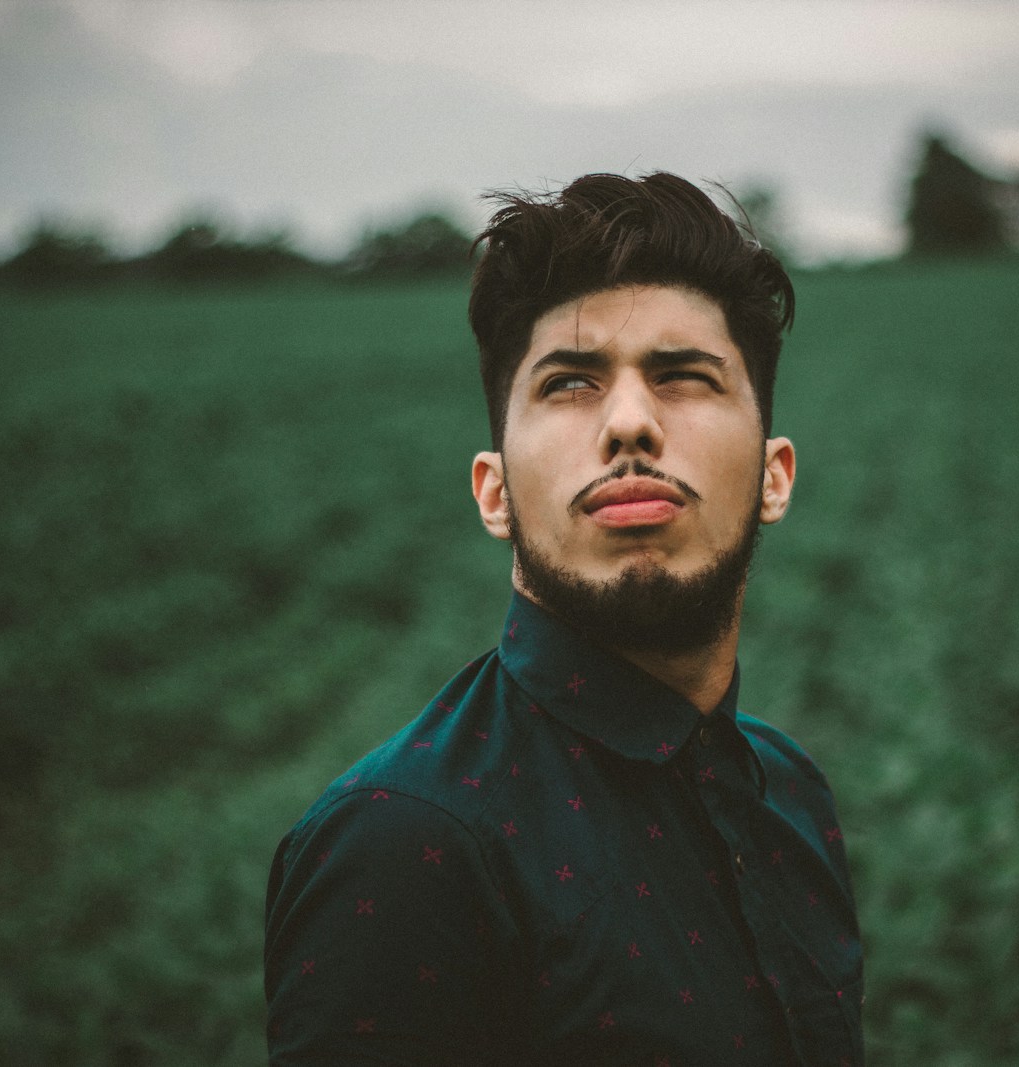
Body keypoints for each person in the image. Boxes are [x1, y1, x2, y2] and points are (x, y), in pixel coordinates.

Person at [264, 172, 864, 1066]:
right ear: (495, 491)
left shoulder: (791, 793)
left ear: (774, 475)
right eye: (571, 383)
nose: (630, 423)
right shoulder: (406, 844)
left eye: (685, 377)